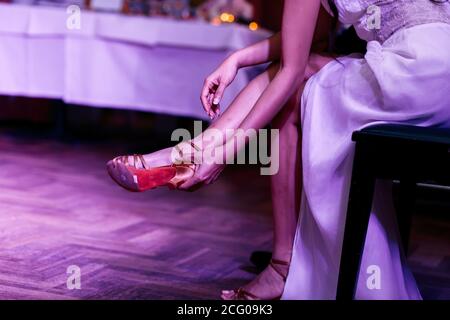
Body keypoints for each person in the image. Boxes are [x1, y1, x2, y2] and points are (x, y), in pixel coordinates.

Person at [107, 0, 450, 299]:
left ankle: (196, 158)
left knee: (294, 90)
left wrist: (229, 153)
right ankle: (195, 154)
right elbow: (301, 45)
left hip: (410, 74)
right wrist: (238, 58)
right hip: (439, 79)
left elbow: (292, 68)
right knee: (301, 87)